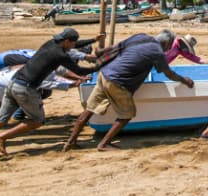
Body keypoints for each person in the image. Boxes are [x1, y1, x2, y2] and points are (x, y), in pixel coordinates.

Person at [0, 28, 95, 165]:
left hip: (12, 83)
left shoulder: (50, 45)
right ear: (67, 42)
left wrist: (93, 41)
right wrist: (97, 67)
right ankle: (2, 137)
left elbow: (62, 69)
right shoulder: (59, 55)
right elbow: (53, 81)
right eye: (72, 44)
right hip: (25, 88)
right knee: (37, 120)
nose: (73, 47)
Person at [62, 29, 194, 151]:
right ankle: (104, 144)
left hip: (105, 74)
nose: (168, 49)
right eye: (168, 46)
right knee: (127, 114)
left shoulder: (140, 36)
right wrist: (184, 80)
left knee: (89, 110)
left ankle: (70, 142)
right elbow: (168, 73)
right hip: (118, 82)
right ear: (165, 43)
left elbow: (117, 46)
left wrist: (101, 52)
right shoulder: (157, 52)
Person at [0, 34, 103, 73]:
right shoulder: (61, 54)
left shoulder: (53, 44)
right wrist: (98, 67)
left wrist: (94, 39)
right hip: (0, 63)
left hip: (1, 59)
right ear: (67, 42)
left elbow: (75, 44)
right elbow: (77, 69)